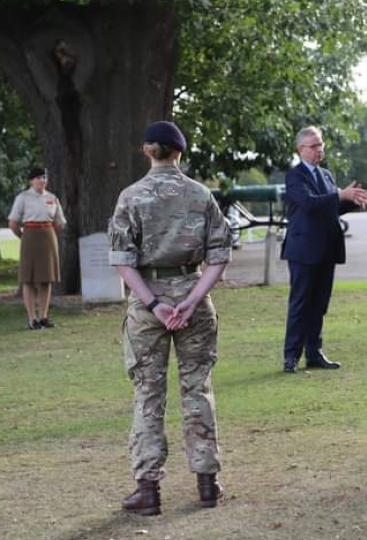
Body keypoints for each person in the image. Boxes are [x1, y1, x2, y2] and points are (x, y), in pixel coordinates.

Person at [108, 121, 232, 515]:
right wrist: (193, 300)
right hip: (193, 296)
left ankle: (148, 491)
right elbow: (219, 257)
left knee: (148, 394)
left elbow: (123, 263)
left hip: (149, 305)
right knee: (198, 390)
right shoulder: (200, 195)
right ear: (179, 152)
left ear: (148, 150)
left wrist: (153, 304)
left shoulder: (131, 197)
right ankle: (207, 484)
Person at [281, 126, 367, 373]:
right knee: (300, 303)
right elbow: (309, 204)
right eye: (313, 146)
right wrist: (341, 194)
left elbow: (330, 208)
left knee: (320, 304)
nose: (319, 150)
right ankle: (291, 356)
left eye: (321, 144)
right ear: (301, 150)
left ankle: (314, 352)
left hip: (326, 249)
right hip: (303, 250)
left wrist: (351, 201)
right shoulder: (295, 176)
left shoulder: (327, 175)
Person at [8, 167, 66, 330]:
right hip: (29, 236)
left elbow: (60, 222)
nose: (42, 180)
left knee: (46, 278)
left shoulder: (52, 198)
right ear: (31, 180)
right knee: (29, 279)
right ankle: (32, 318)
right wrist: (24, 237)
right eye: (38, 178)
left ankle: (44, 316)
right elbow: (13, 223)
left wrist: (50, 234)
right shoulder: (23, 198)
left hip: (48, 236)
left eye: (44, 177)